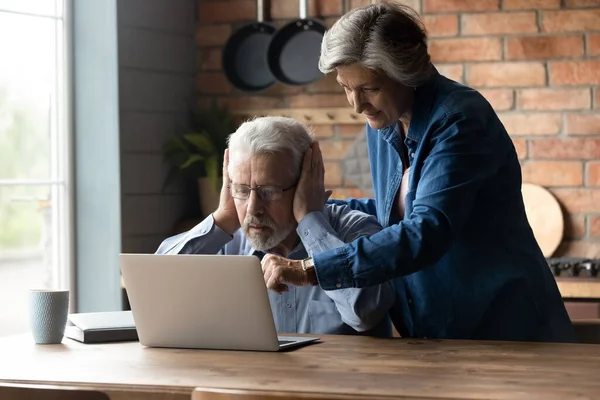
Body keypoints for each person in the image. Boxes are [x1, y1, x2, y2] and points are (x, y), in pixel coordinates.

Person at [259, 2, 575, 342]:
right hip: (436, 332)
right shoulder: (383, 121)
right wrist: (313, 206)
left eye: (369, 88)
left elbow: (426, 228)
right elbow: (392, 211)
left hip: (503, 326)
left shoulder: (459, 120)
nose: (356, 104)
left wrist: (311, 269)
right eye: (346, 87)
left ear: (406, 72)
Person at [156, 116, 394, 337]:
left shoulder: (356, 231)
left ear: (306, 183)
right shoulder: (227, 242)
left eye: (268, 191)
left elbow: (364, 314)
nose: (253, 209)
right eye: (241, 189)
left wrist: (310, 219)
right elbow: (156, 293)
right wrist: (222, 218)